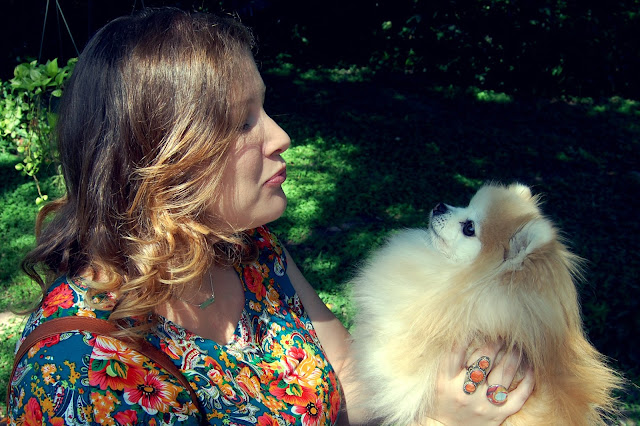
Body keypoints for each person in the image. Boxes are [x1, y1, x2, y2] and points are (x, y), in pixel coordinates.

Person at [6, 8, 533, 426]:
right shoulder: (87, 376)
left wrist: (431, 388)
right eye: (242, 123)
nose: (281, 136)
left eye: (263, 108)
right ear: (158, 160)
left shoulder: (249, 250)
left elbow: (349, 376)